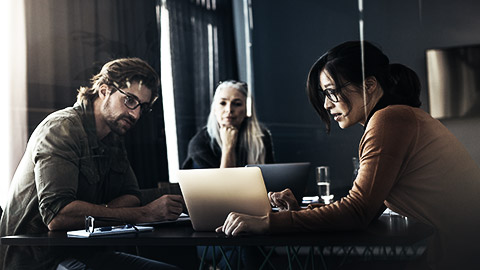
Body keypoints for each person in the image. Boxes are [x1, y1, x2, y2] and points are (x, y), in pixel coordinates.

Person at [216, 41, 480, 269]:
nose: (326, 104)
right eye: (324, 94)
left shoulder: (389, 119)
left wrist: (267, 222)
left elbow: (358, 211)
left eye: (332, 91)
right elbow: (367, 207)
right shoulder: (397, 117)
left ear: (369, 85)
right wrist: (302, 212)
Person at [0, 58, 184, 270]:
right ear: (104, 90)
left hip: (85, 252)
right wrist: (145, 213)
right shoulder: (61, 128)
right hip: (39, 260)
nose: (135, 113)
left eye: (142, 107)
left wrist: (95, 213)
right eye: (130, 100)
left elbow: (132, 196)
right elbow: (58, 216)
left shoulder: (113, 137)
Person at [182, 80, 274, 169]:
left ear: (247, 110)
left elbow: (271, 177)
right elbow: (224, 184)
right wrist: (228, 147)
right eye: (223, 103)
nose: (229, 109)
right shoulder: (200, 143)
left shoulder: (261, 137)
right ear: (214, 108)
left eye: (237, 104)